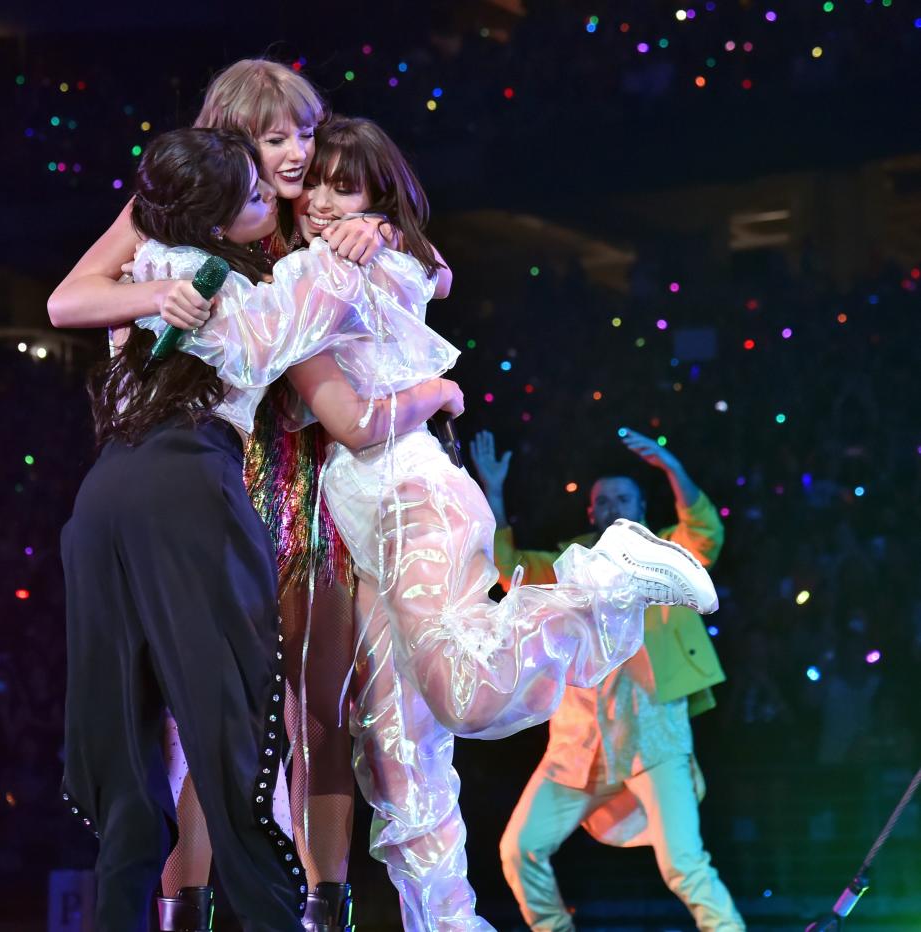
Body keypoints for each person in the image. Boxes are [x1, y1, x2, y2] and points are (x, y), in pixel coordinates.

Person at [131, 117, 719, 931]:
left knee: (467, 700)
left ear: (377, 195)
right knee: (400, 755)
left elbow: (362, 419)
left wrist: (430, 390)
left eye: (350, 186)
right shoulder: (339, 264)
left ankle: (609, 573)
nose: (328, 202)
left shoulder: (327, 273)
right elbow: (430, 274)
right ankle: (447, 921)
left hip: (411, 495)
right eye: (320, 185)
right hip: (367, 528)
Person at [60, 126, 460, 932]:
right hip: (187, 489)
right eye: (254, 192)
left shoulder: (150, 263)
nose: (274, 197)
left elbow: (69, 299)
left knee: (128, 743)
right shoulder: (265, 294)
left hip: (101, 498)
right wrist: (378, 234)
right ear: (215, 216)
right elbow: (420, 287)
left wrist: (374, 226)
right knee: (233, 731)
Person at [470, 427, 745, 931]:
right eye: (604, 500)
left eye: (624, 496)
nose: (613, 505)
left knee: (684, 865)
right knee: (519, 849)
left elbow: (706, 536)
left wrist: (671, 467)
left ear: (641, 506)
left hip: (653, 738)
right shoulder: (570, 563)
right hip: (579, 745)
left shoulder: (666, 559)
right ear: (591, 512)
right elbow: (509, 572)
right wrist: (493, 488)